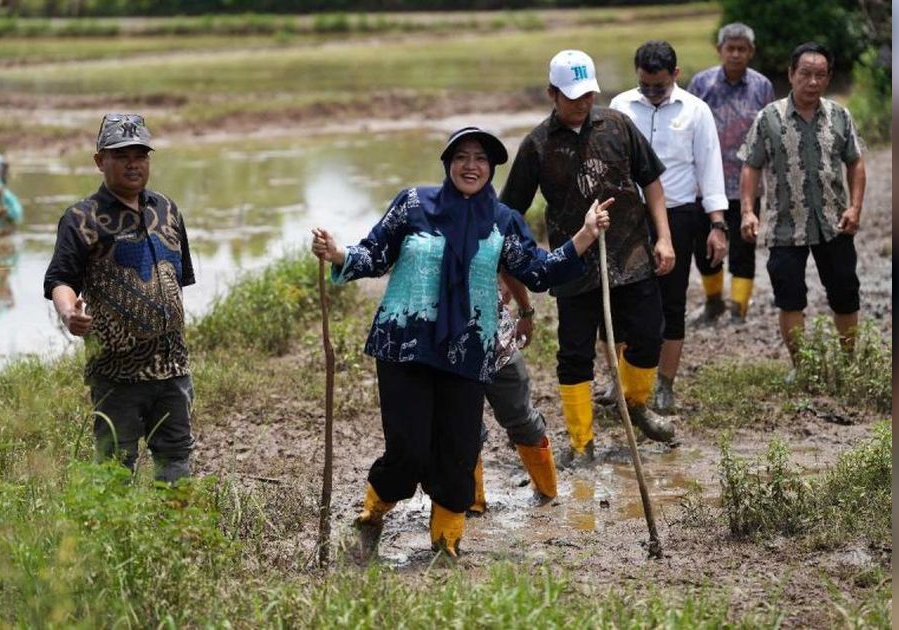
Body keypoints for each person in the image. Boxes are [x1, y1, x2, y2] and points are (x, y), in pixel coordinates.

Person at [310, 127, 612, 558]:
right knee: (408, 450)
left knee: (458, 451)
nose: (471, 166)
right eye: (462, 157)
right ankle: (371, 518)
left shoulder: (503, 221)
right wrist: (339, 254)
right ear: (448, 163)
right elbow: (375, 255)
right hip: (405, 348)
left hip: (468, 353)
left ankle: (445, 545)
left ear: (491, 169)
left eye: (481, 159)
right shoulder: (413, 204)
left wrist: (584, 235)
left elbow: (540, 272)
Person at [501, 49, 678, 468]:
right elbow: (509, 215)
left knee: (649, 335)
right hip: (573, 265)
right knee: (575, 353)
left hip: (630, 254)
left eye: (588, 94)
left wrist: (664, 238)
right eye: (572, 96)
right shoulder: (537, 146)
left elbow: (650, 182)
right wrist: (506, 274)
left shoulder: (618, 126)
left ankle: (633, 404)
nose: (582, 103)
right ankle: (582, 442)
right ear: (552, 94)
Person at [43, 113, 196, 483]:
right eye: (122, 155)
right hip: (116, 375)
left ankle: (174, 534)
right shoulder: (81, 218)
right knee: (114, 469)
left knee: (176, 459)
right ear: (100, 161)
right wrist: (69, 314)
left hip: (173, 370)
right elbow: (60, 279)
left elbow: (179, 280)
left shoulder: (168, 210)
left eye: (140, 154)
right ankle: (113, 540)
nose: (133, 163)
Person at [610, 40, 728, 414]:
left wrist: (717, 224)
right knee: (623, 301)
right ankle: (623, 385)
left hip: (679, 216)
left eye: (658, 86)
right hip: (628, 219)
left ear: (675, 76)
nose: (650, 92)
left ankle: (664, 385)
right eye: (644, 85)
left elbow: (710, 169)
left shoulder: (696, 111)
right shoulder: (620, 107)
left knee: (671, 302)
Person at [738, 42, 866, 366]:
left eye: (820, 75)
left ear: (828, 77)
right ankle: (802, 367)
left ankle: (848, 362)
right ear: (791, 74)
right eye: (805, 74)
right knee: (790, 297)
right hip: (784, 224)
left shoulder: (839, 115)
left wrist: (855, 208)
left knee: (845, 294)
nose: (812, 82)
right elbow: (751, 165)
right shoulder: (768, 118)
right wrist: (748, 211)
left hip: (834, 222)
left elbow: (855, 162)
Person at [687, 22, 777, 324]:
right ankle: (713, 302)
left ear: (751, 52)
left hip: (746, 186)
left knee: (743, 247)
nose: (736, 54)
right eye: (731, 48)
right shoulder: (701, 84)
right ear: (720, 50)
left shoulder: (762, 86)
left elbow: (770, 133)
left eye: (742, 49)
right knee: (704, 248)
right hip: (704, 185)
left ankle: (739, 309)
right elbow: (687, 127)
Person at [469, 275, 558, 516]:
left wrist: (526, 311)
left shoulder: (494, 236)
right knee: (463, 430)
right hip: (449, 349)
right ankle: (471, 505)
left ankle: (548, 493)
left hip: (499, 341)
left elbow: (513, 257)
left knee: (524, 419)